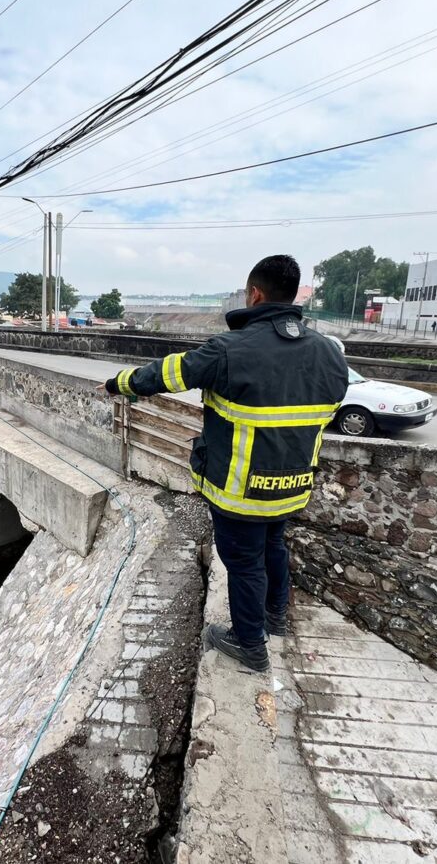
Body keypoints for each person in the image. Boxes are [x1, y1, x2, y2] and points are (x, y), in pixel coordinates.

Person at [101, 255, 348, 672]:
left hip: (241, 491)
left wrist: (117, 384)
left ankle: (250, 644)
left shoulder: (229, 350)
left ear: (255, 294)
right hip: (293, 486)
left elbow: (165, 374)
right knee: (274, 546)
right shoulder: (330, 354)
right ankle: (276, 618)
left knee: (244, 563)